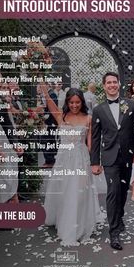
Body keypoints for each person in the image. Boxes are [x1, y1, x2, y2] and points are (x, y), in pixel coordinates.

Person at [40, 83, 104, 246]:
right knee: (63, 191)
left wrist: (96, 163)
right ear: (67, 103)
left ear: (82, 102)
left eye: (77, 102)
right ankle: (61, 219)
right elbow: (49, 102)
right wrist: (42, 85)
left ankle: (76, 226)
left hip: (81, 159)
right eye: (71, 103)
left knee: (78, 193)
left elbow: (90, 144)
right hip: (63, 160)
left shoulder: (88, 119)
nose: (74, 105)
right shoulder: (62, 116)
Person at [91, 72, 134, 250]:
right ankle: (114, 232)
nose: (112, 85)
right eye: (109, 83)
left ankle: (119, 216)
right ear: (104, 86)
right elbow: (96, 138)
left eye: (115, 82)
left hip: (128, 156)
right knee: (113, 192)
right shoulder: (98, 110)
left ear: (119, 84)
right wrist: (94, 162)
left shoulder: (130, 104)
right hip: (109, 157)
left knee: (122, 190)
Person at [41, 83, 58, 168]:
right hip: (48, 122)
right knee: (49, 140)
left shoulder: (52, 94)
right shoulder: (45, 94)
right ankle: (50, 159)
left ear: (47, 85)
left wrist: (43, 117)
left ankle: (49, 160)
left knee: (46, 140)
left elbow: (52, 109)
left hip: (50, 122)